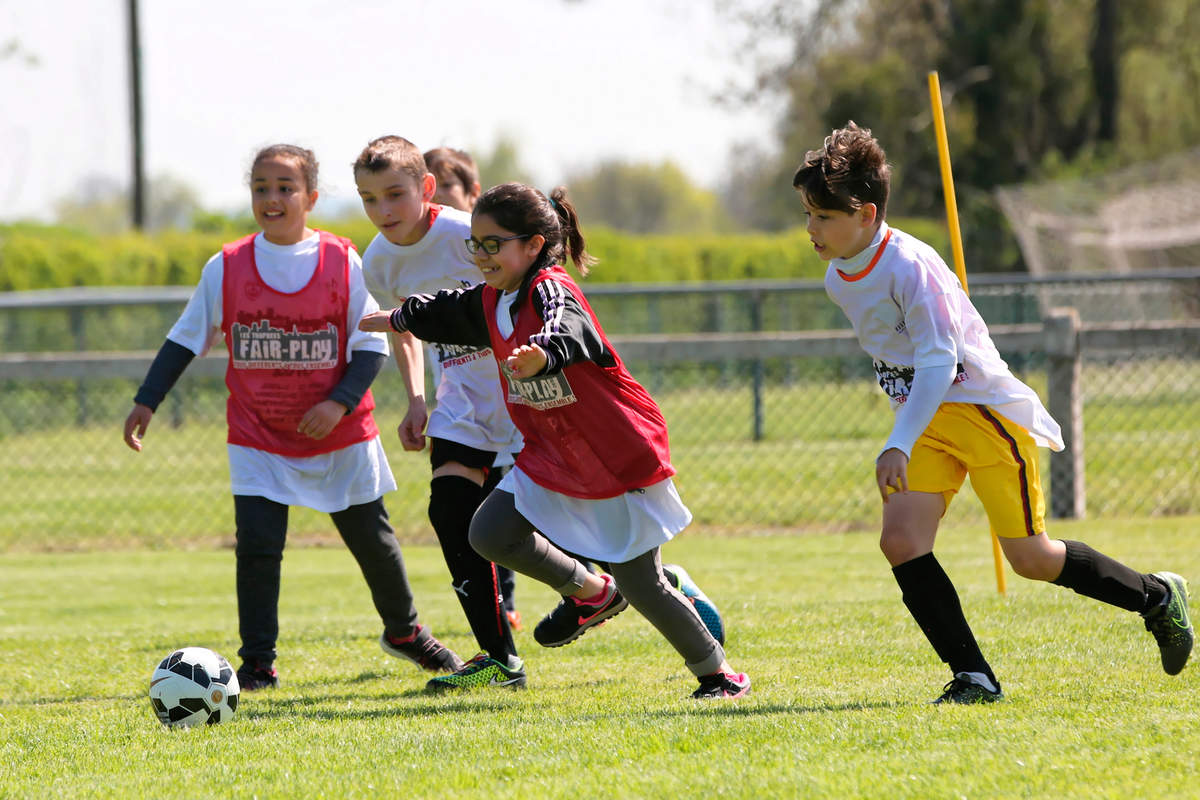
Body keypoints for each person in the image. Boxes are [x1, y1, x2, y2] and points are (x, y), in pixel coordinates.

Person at [792, 122, 1194, 703]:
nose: (811, 229)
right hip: (925, 422)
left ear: (867, 213)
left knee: (1032, 558)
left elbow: (937, 363)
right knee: (901, 541)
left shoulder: (912, 266)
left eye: (823, 216)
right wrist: (909, 431)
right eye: (807, 215)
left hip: (980, 413)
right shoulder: (838, 277)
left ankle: (1156, 596)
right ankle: (974, 677)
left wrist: (898, 439)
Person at [360, 182, 749, 699]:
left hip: (612, 451)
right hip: (553, 452)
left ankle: (718, 675)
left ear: (534, 246)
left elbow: (570, 324)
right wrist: (403, 316)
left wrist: (544, 352)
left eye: (493, 244)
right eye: (476, 243)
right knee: (489, 533)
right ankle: (591, 593)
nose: (480, 254)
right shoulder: (493, 298)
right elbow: (451, 308)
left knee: (643, 583)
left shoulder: (550, 286)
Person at [122, 144, 463, 690]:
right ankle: (257, 663)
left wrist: (338, 402)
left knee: (374, 541)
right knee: (257, 547)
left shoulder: (343, 259)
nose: (272, 198)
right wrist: (147, 400)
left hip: (340, 432)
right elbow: (186, 338)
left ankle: (405, 632)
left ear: (311, 197)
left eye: (285, 187)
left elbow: (370, 342)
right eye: (261, 188)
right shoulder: (227, 265)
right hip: (258, 432)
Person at [354, 136, 527, 691]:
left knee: (583, 525)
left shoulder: (465, 235)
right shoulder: (377, 261)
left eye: (394, 195)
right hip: (462, 401)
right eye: (368, 199)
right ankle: (500, 660)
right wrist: (417, 398)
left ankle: (641, 586)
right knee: (451, 512)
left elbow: (524, 293)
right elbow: (403, 329)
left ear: (426, 188)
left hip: (523, 391)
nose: (382, 212)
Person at [423, 144, 523, 633]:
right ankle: (498, 639)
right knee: (462, 510)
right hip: (469, 412)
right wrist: (416, 399)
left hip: (526, 405)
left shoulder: (498, 253)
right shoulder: (405, 253)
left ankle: (650, 585)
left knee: (565, 522)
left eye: (447, 190)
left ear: (471, 194)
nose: (437, 203)